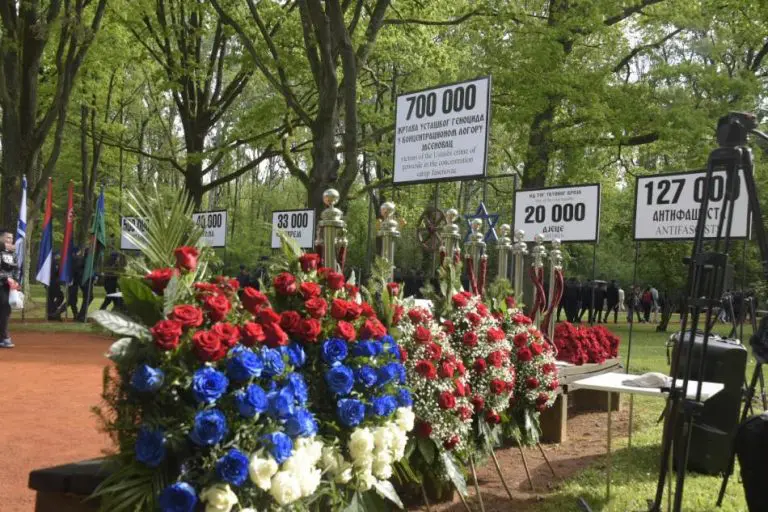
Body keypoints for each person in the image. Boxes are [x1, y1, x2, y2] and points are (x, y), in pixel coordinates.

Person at [0, 229, 19, 348]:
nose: (10, 240)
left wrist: (15, 280)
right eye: (7, 238)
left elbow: (16, 269)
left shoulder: (12, 254)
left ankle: (4, 337)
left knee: (6, 311)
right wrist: (6, 278)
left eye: (11, 238)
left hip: (8, 287)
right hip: (2, 284)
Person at [47, 252, 65, 321]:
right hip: (53, 283)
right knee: (59, 297)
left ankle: (51, 313)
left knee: (52, 299)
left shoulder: (50, 262)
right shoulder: (54, 263)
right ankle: (53, 313)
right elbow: (55, 273)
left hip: (51, 283)